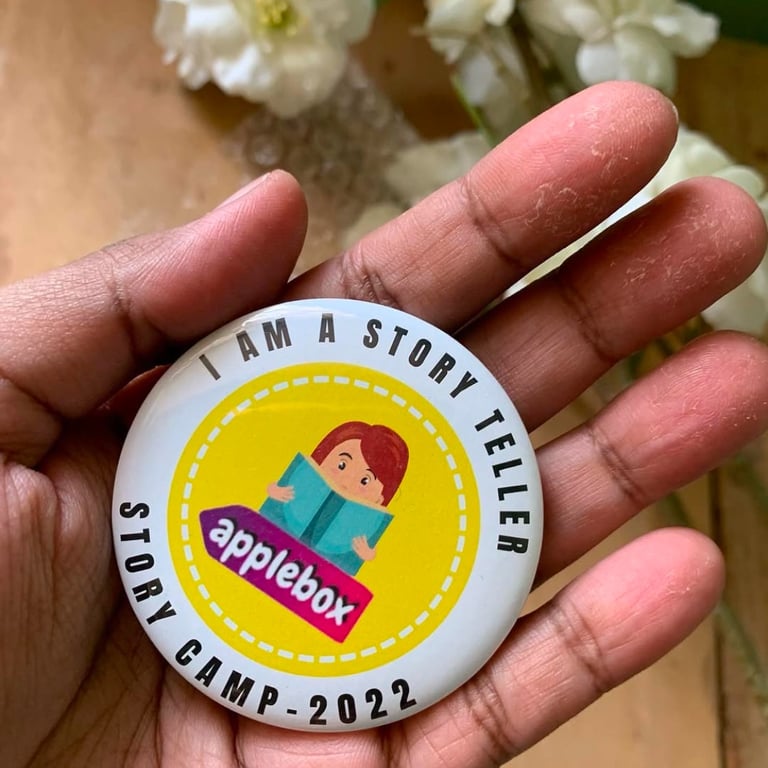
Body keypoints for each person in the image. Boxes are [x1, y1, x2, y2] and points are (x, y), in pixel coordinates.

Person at [2, 81, 767, 767]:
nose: (352, 480)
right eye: (347, 465)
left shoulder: (369, 524)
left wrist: (362, 548)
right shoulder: (271, 481)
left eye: (367, 481)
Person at [266, 420, 409, 563]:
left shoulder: (370, 526)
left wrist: (367, 554)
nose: (345, 483)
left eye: (364, 481)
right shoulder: (301, 479)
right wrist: (273, 492)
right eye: (342, 465)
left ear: (379, 500)